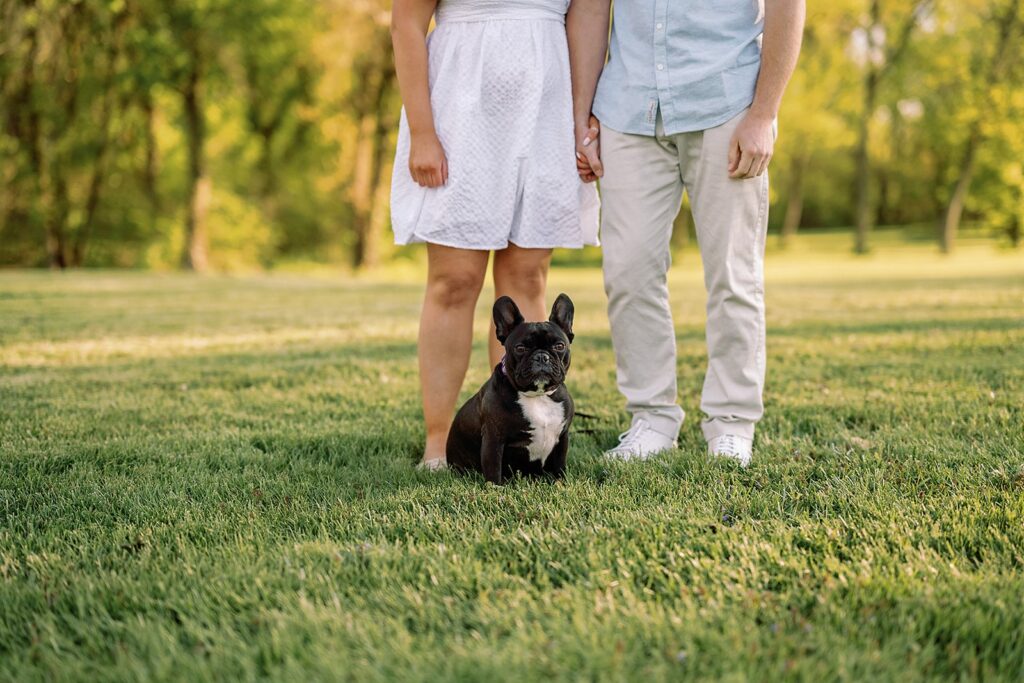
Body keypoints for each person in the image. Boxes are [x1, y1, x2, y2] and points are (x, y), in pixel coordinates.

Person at [568, 0, 805, 465]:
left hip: (727, 103)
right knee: (629, 273)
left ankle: (731, 423)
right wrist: (583, 114)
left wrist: (763, 113)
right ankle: (652, 419)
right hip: (627, 108)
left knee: (732, 275)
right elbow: (592, 9)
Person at [391, 0, 600, 470]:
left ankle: (520, 438)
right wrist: (423, 131)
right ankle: (439, 444)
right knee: (454, 280)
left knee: (525, 279)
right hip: (458, 110)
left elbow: (587, 17)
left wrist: (581, 119)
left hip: (546, 108)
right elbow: (406, 21)